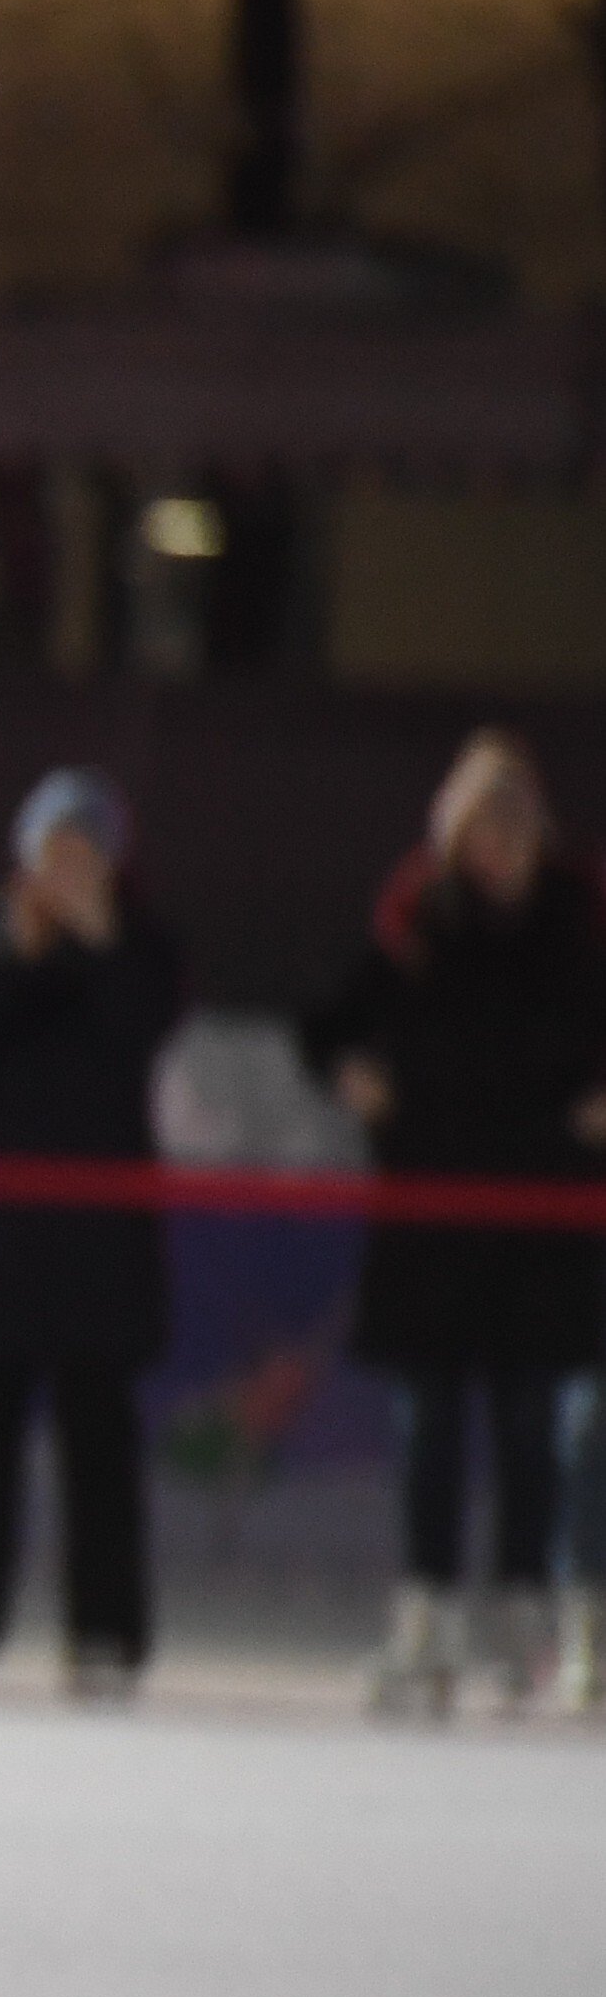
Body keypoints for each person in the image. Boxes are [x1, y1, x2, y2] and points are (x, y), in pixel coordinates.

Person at [301, 731, 606, 1717]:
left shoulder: (580, 923)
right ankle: (426, 1615)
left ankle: (523, 1616)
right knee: (429, 1422)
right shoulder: (417, 919)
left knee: (532, 1425)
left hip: (543, 1213)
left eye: (513, 824)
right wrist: (353, 1075)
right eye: (482, 825)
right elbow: (326, 1022)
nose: (498, 845)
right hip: (432, 1212)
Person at [0, 772, 184, 1698]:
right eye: (53, 851)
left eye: (85, 851)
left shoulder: (143, 945)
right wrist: (19, 950)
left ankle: (106, 1632)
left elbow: (145, 1020)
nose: (67, 870)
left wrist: (100, 940)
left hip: (100, 1239)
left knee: (100, 1442)